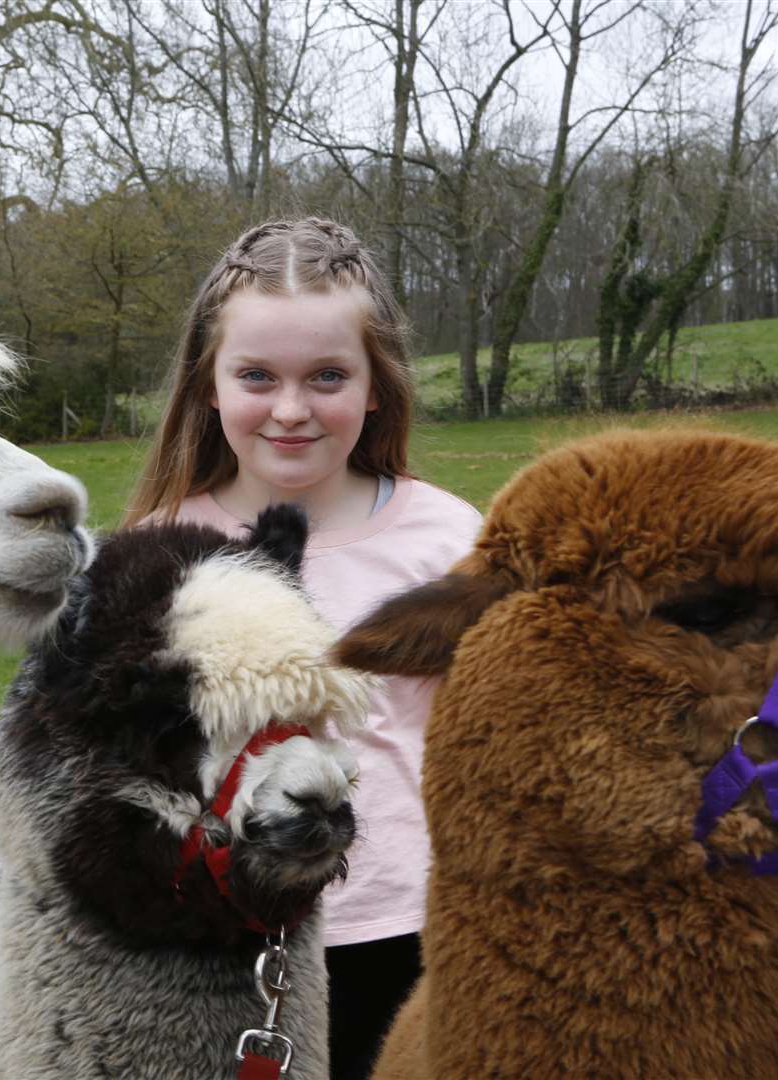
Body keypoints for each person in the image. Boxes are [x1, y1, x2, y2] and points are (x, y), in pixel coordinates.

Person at [121, 217, 483, 1080]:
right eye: (256, 376)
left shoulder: (452, 542)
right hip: (214, 936)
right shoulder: (153, 550)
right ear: (208, 385)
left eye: (327, 376)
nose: (290, 409)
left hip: (413, 931)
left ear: (375, 386)